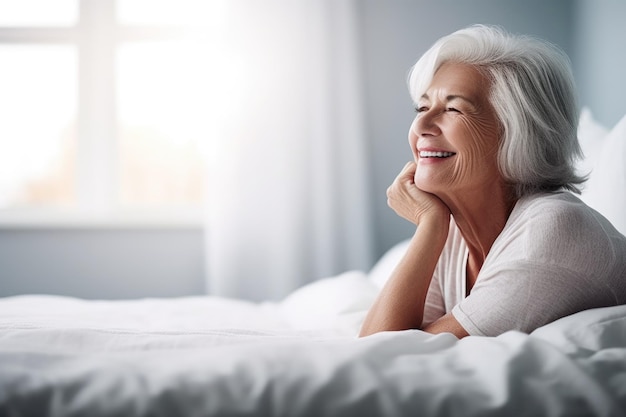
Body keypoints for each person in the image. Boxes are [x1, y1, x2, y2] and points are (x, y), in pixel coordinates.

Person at [359, 24, 626, 338]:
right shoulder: (454, 232)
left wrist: (430, 224)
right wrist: (431, 226)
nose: (422, 125)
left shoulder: (552, 229)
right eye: (421, 107)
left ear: (517, 133)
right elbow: (378, 343)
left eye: (453, 108)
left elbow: (389, 354)